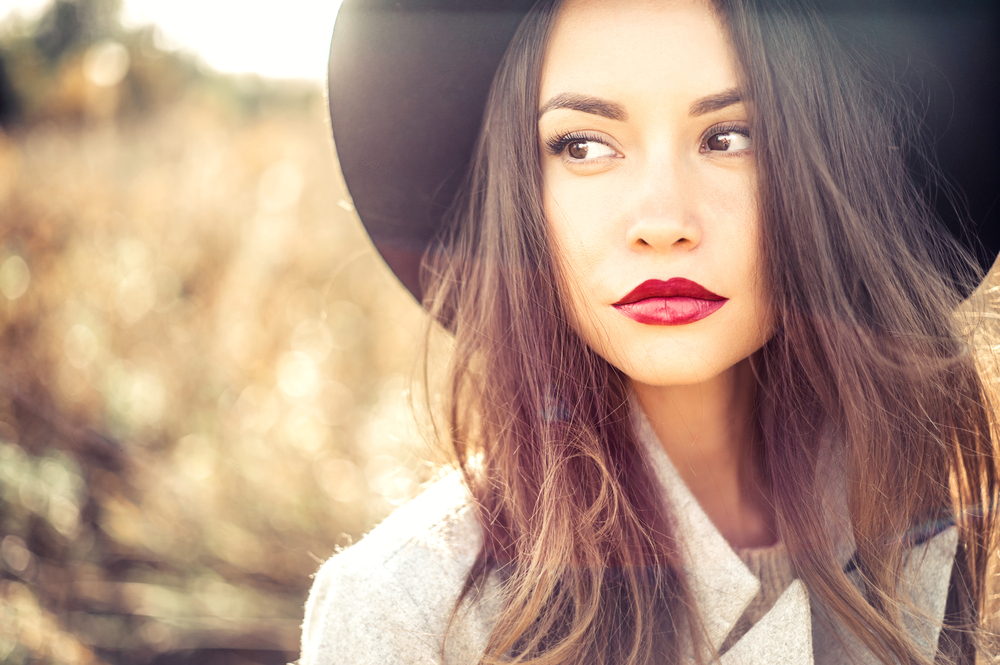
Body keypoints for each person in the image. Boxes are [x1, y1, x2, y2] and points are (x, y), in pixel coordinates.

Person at [304, 0, 1000, 663]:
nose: (663, 219)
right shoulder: (407, 612)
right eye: (583, 145)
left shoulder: (919, 521)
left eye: (729, 138)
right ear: (521, 191)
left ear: (829, 167)